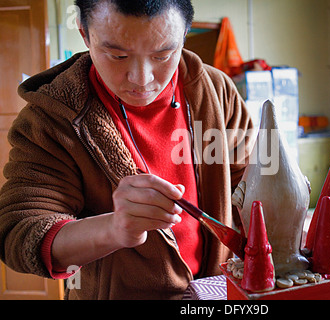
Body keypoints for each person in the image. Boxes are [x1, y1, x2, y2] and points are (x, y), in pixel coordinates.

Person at [0, 0, 254, 300]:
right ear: (85, 34)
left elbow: (251, 186)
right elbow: (19, 234)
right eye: (118, 55)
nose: (142, 79)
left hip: (213, 294)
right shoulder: (52, 119)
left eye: (163, 55)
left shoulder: (215, 91)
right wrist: (114, 229)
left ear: (184, 36)